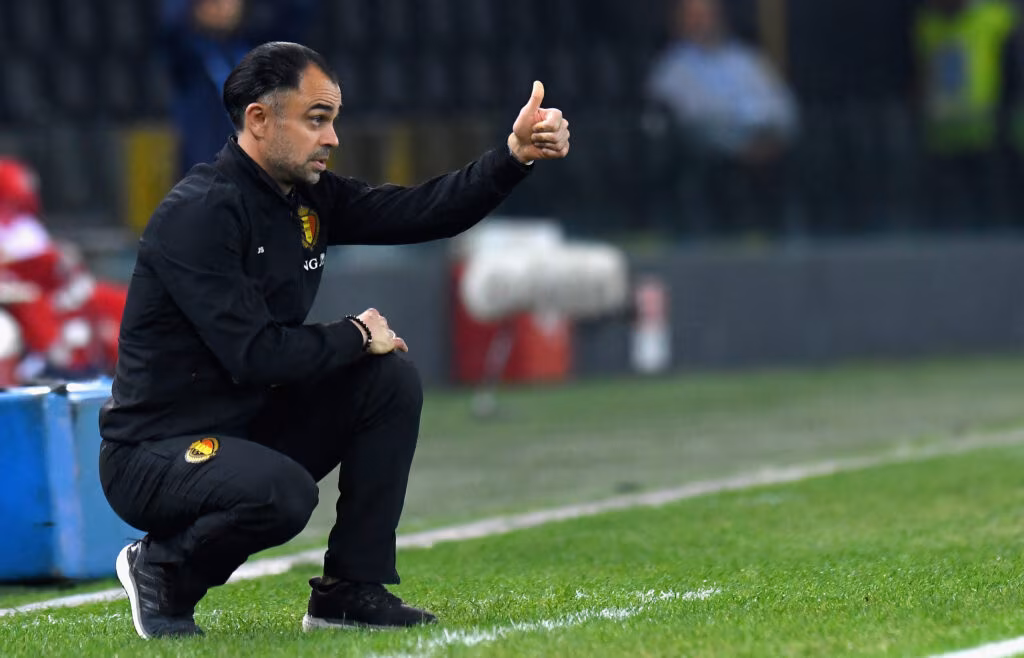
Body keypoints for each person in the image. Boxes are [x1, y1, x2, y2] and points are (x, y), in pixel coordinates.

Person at [98, 41, 570, 639]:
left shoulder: (307, 196)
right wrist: (354, 333)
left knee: (386, 379)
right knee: (284, 494)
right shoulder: (201, 211)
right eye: (317, 119)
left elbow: (421, 211)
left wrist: (513, 157)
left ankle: (351, 591)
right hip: (154, 451)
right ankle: (161, 569)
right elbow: (254, 355)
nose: (333, 138)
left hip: (244, 424)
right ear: (259, 119)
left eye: (333, 119)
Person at [645, 0, 798, 236]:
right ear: (679, 22)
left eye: (708, 15)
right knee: (706, 131)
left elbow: (780, 101)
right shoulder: (672, 66)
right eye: (694, 16)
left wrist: (770, 131)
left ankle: (779, 228)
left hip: (764, 132)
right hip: (713, 138)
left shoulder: (746, 59)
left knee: (789, 128)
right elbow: (688, 115)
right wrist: (742, 138)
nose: (703, 23)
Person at [0, 158, 127, 382]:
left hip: (58, 291)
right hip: (24, 295)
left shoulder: (24, 223)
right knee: (24, 313)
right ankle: (53, 365)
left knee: (116, 302)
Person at [161, 0, 316, 177]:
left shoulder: (260, 50)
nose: (222, 6)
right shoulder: (188, 57)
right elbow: (168, 25)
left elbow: (298, 14)